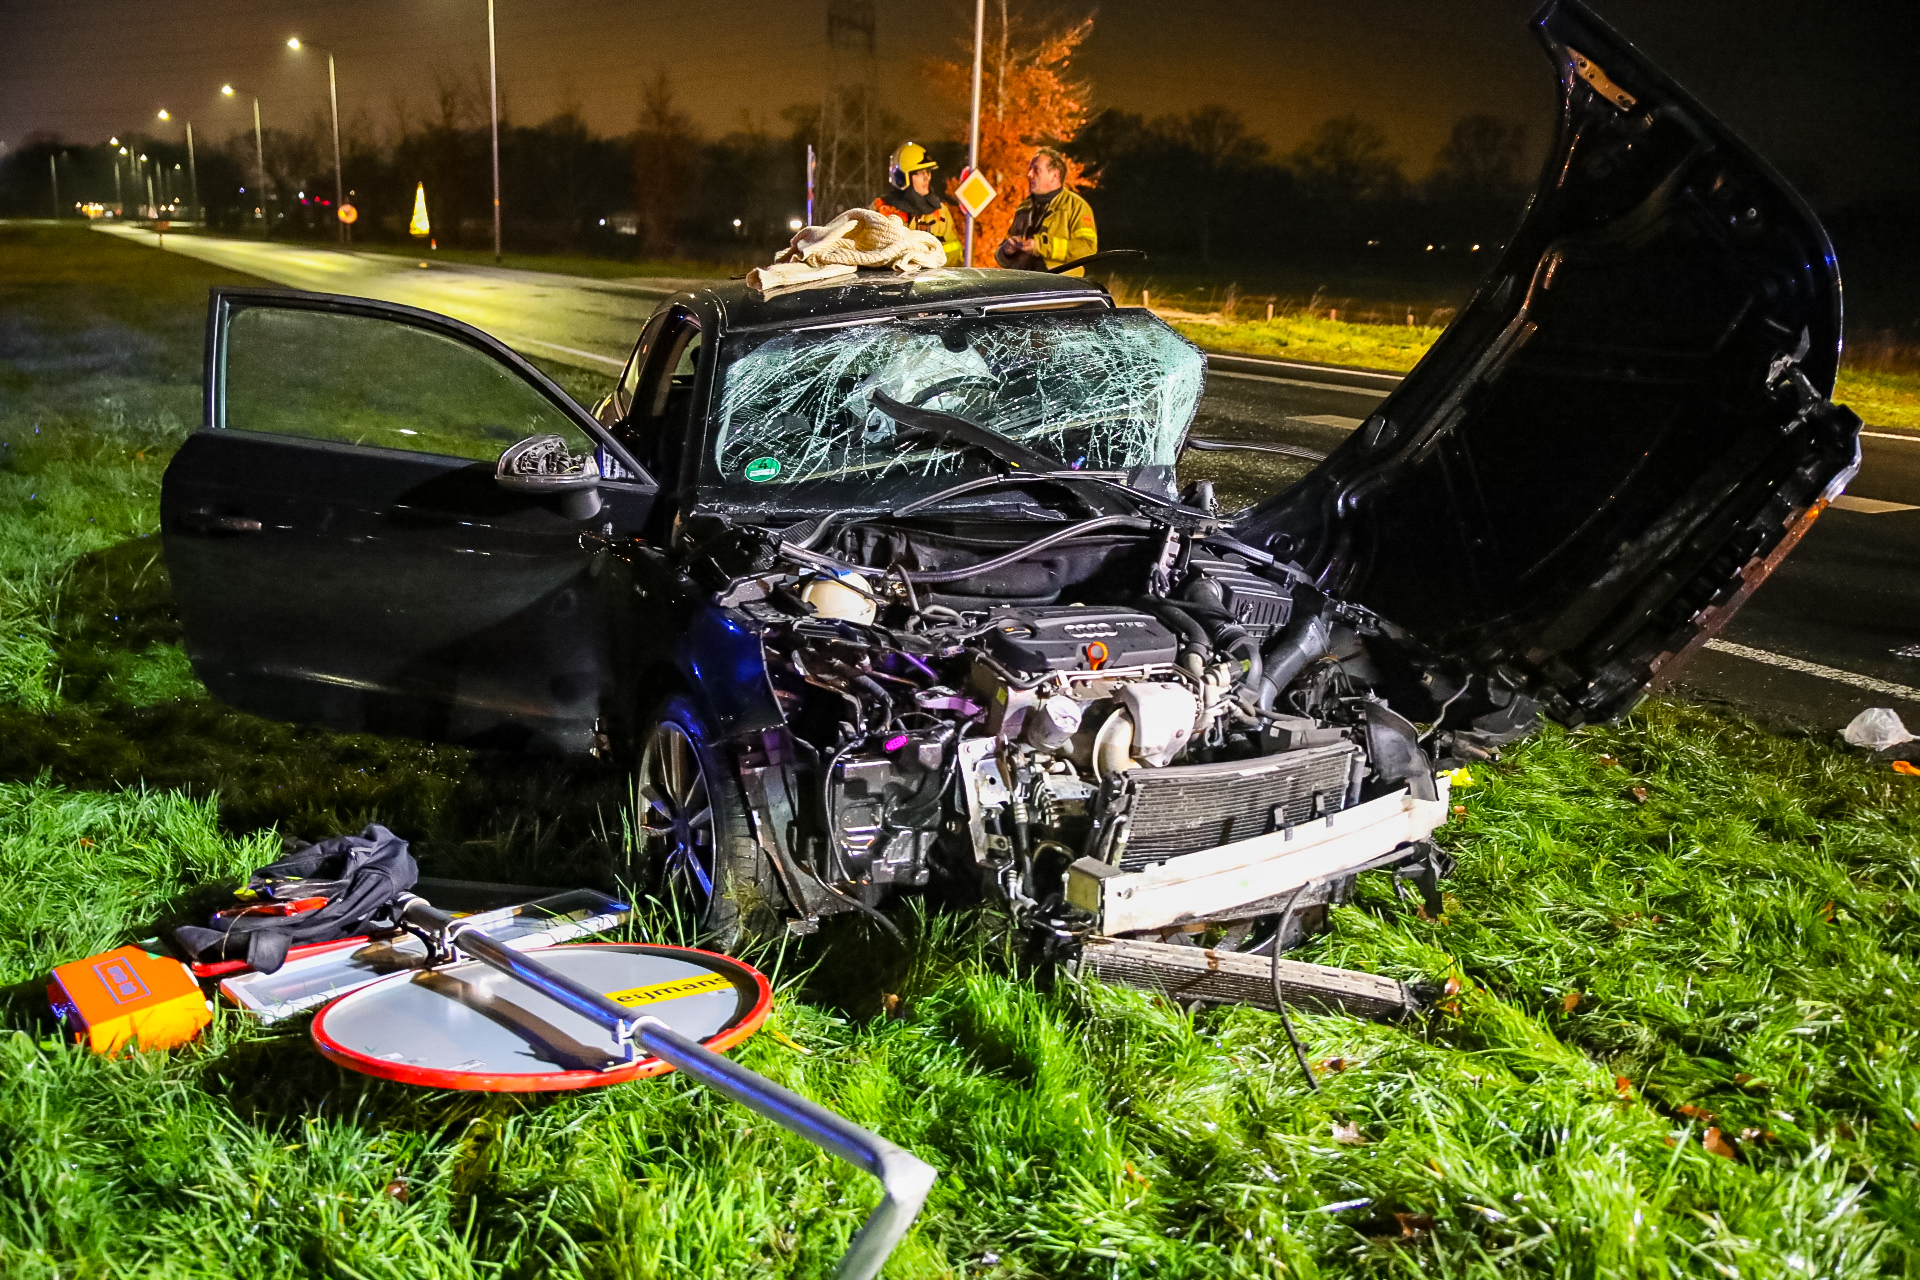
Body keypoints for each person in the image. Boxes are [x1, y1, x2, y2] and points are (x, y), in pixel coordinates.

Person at [995, 147, 1097, 274]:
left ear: (1054, 176)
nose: (1029, 174)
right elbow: (1002, 256)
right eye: (1030, 169)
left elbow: (1087, 248)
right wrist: (1005, 251)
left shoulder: (1076, 207)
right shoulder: (1024, 207)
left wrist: (1040, 246)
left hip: (1059, 288)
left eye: (1036, 170)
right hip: (1025, 286)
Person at [873, 142, 962, 267]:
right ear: (902, 178)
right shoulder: (881, 210)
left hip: (932, 283)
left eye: (928, 172)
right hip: (891, 283)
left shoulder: (941, 212)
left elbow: (954, 257)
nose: (927, 177)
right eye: (920, 173)